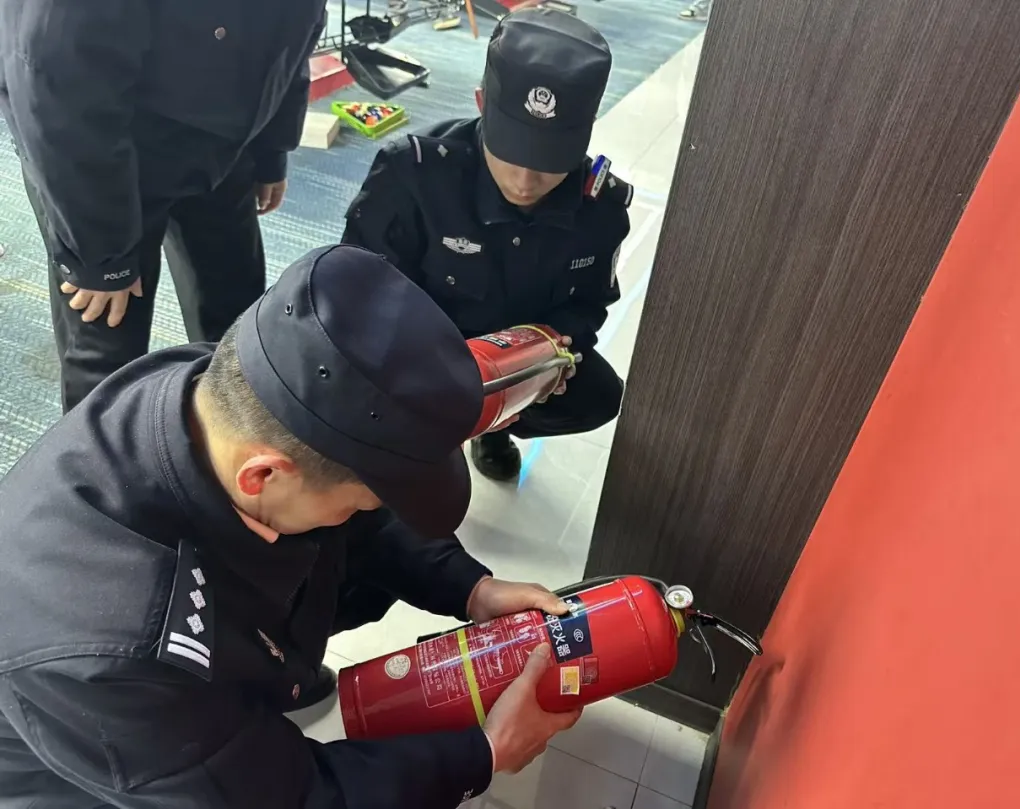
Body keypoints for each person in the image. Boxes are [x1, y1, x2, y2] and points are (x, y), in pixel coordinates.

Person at [0, 245, 581, 808]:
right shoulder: (118, 657)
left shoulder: (236, 391)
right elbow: (286, 797)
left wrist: (471, 588)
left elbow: (361, 488)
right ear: (262, 476)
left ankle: (271, 679)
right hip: (89, 772)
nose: (364, 515)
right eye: (356, 505)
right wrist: (483, 755)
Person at [341, 8, 632, 482]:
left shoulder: (602, 207)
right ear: (481, 103)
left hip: (518, 362)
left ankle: (494, 427)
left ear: (587, 128)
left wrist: (544, 364)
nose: (524, 181)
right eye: (510, 150)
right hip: (420, 356)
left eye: (549, 159)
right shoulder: (412, 174)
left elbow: (589, 305)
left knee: (599, 397)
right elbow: (356, 296)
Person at [0, 0, 327, 412]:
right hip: (95, 150)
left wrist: (272, 146)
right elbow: (56, 83)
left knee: (238, 325)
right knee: (109, 354)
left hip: (224, 132)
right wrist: (101, 256)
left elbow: (297, 25)